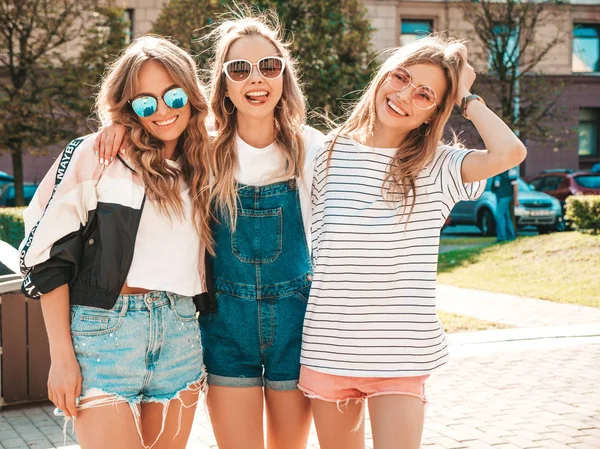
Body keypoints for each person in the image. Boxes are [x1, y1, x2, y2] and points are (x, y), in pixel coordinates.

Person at [94, 14, 325, 449]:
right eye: (240, 69)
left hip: (296, 326)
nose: (256, 79)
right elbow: (153, 131)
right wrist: (120, 126)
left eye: (269, 66)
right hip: (225, 328)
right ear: (223, 83)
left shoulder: (311, 147)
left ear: (284, 75)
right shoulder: (202, 148)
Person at [299, 35, 527, 449]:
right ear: (383, 76)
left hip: (400, 355)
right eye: (400, 77)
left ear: (433, 114)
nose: (403, 95)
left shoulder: (439, 166)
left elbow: (510, 152)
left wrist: (466, 97)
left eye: (424, 95)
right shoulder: (326, 152)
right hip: (328, 349)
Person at [19, 36, 212, 449]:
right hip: (103, 334)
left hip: (179, 333)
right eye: (145, 103)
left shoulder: (207, 162)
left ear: (191, 95)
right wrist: (62, 357)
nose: (161, 111)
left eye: (173, 95)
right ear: (128, 108)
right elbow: (46, 256)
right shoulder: (99, 155)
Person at [492, 167, 519, 242]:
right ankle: (510, 236)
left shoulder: (511, 170)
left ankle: (501, 238)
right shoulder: (498, 169)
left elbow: (515, 185)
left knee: (498, 214)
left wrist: (516, 199)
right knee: (506, 216)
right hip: (499, 195)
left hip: (506, 195)